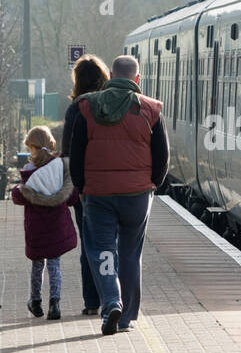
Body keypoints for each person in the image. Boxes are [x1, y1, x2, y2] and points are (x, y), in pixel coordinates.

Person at [68, 54, 168, 335]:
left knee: (101, 250)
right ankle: (126, 319)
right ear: (137, 80)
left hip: (98, 194)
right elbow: (162, 157)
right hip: (137, 195)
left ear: (111, 77)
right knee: (130, 254)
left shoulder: (86, 107)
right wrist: (151, 184)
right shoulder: (151, 109)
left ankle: (111, 301)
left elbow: (77, 153)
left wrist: (82, 187)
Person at [11, 125, 79, 320]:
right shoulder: (60, 167)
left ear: (32, 148)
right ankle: (55, 304)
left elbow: (18, 196)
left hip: (37, 230)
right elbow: (72, 197)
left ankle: (36, 302)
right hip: (57, 228)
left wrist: (19, 188)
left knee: (37, 265)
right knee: (55, 265)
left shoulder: (29, 173)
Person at [61, 54, 111, 316]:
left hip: (87, 189)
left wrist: (75, 187)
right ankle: (113, 297)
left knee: (89, 245)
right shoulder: (115, 104)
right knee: (113, 245)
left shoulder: (76, 108)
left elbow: (68, 153)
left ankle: (92, 301)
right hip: (118, 186)